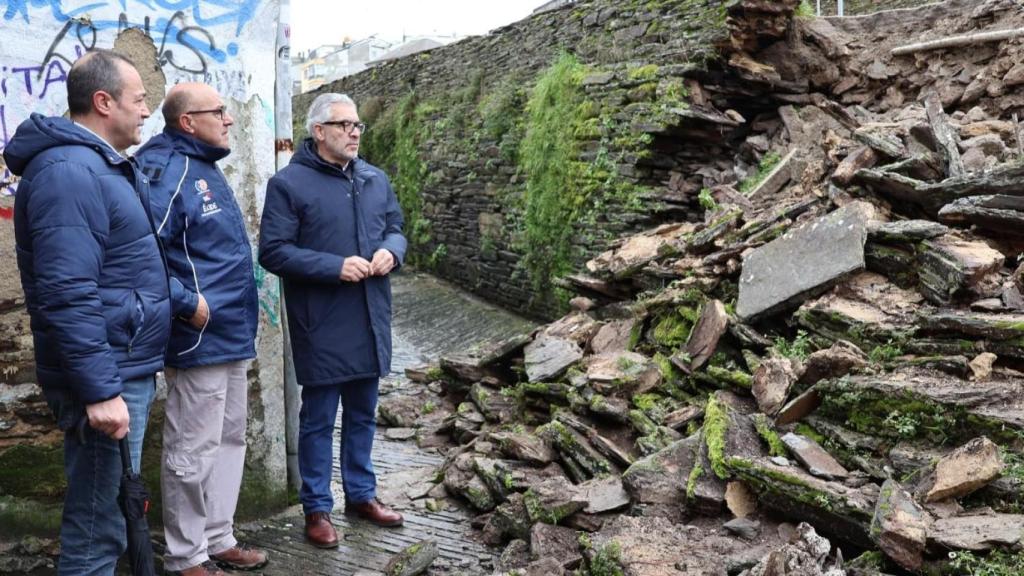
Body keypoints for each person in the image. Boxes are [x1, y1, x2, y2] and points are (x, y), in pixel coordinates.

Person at [4, 49, 170, 575]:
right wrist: (101, 391)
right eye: (140, 99)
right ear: (104, 102)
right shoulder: (68, 173)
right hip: (108, 378)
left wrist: (182, 303)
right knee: (98, 528)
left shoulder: (95, 166)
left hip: (122, 369)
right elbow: (67, 292)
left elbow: (120, 269)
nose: (148, 111)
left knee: (108, 518)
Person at [258, 93, 407, 548]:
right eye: (344, 125)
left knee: (363, 413)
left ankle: (361, 495)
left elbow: (397, 229)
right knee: (319, 419)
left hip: (369, 314)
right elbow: (273, 251)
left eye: (358, 124)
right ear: (318, 132)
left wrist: (391, 252)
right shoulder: (288, 185)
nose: (355, 132)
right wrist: (333, 266)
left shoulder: (375, 179)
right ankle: (317, 508)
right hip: (321, 319)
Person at [134, 83, 268, 576]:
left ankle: (218, 536)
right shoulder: (165, 170)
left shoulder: (203, 165)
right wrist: (188, 305)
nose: (229, 119)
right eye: (219, 112)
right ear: (187, 121)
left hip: (230, 333)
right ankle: (186, 555)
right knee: (192, 448)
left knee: (230, 438)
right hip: (198, 337)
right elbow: (137, 256)